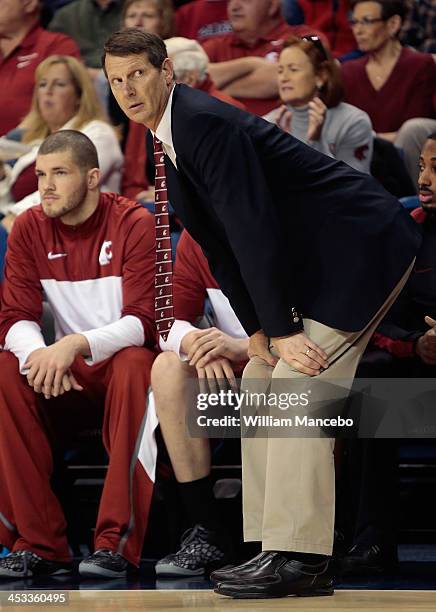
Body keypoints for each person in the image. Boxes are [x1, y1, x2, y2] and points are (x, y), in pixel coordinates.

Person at [103, 29, 421, 599]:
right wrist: (256, 333)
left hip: (362, 249)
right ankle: (274, 546)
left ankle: (304, 557)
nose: (128, 90)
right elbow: (219, 248)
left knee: (299, 380)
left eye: (139, 75)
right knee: (261, 374)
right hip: (320, 263)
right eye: (116, 80)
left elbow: (253, 229)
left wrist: (283, 329)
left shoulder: (201, 122)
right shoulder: (168, 138)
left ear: (167, 70)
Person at [0, 129, 156, 579]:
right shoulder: (29, 225)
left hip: (119, 374)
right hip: (64, 380)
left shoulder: (133, 221)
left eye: (59, 174)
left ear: (92, 178)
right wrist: (41, 357)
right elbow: (14, 317)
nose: (45, 186)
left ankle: (114, 544)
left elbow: (143, 322)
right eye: (41, 174)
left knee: (135, 364)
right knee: (7, 370)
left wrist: (72, 345)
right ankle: (40, 543)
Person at [340, 132, 436, 575]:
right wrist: (414, 343)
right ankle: (372, 540)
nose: (425, 179)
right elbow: (377, 316)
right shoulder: (404, 228)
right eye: (421, 167)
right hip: (418, 363)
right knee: (371, 382)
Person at [152, 230, 249, 577]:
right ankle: (206, 528)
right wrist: (197, 344)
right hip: (229, 371)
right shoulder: (197, 237)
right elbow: (169, 324)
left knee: (275, 373)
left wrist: (245, 349)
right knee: (168, 367)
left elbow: (318, 326)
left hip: (291, 361)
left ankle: (292, 534)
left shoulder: (289, 222)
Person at [0, 55, 123, 229]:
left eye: (59, 84)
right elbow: (9, 201)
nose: (48, 91)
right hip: (29, 230)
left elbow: (70, 187)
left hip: (87, 233)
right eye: (42, 85)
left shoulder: (98, 133)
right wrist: (2, 177)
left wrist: (17, 214)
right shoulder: (33, 141)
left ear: (79, 95)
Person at [341, 0, 436, 183]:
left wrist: (368, 139)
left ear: (393, 24)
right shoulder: (347, 71)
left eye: (366, 21)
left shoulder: (420, 66)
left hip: (404, 167)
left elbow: (413, 135)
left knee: (412, 129)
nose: (357, 30)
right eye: (355, 22)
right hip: (360, 166)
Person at [264, 35, 373, 173]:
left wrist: (317, 142)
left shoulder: (353, 122)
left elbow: (353, 188)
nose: (284, 78)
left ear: (321, 76)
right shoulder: (267, 124)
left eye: (293, 69)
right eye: (280, 70)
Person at [201, 0, 328, 116]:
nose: (234, 7)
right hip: (228, 134)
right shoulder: (216, 45)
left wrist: (211, 90)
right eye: (230, 0)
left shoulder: (306, 37)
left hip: (285, 132)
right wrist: (250, 64)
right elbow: (190, 75)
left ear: (272, 5)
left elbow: (282, 79)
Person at [0, 0, 80, 136]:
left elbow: (58, 109)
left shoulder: (56, 46)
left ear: (29, 3)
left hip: (30, 149)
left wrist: (8, 144)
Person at [121, 0, 175, 200]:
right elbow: (132, 178)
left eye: (148, 16)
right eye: (132, 15)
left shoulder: (180, 53)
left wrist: (165, 194)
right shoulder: (136, 100)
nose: (139, 22)